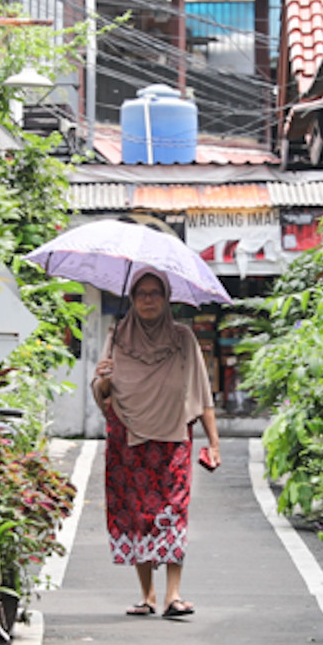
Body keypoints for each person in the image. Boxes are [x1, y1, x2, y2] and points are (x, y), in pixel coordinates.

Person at [91, 265, 221, 619]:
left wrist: (214, 441)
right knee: (137, 515)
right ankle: (147, 595)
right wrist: (102, 378)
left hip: (173, 437)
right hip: (127, 437)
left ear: (167, 298)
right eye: (141, 294)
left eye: (155, 293)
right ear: (131, 299)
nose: (148, 300)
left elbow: (202, 392)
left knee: (172, 512)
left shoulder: (182, 339)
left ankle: (173, 596)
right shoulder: (117, 336)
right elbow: (104, 394)